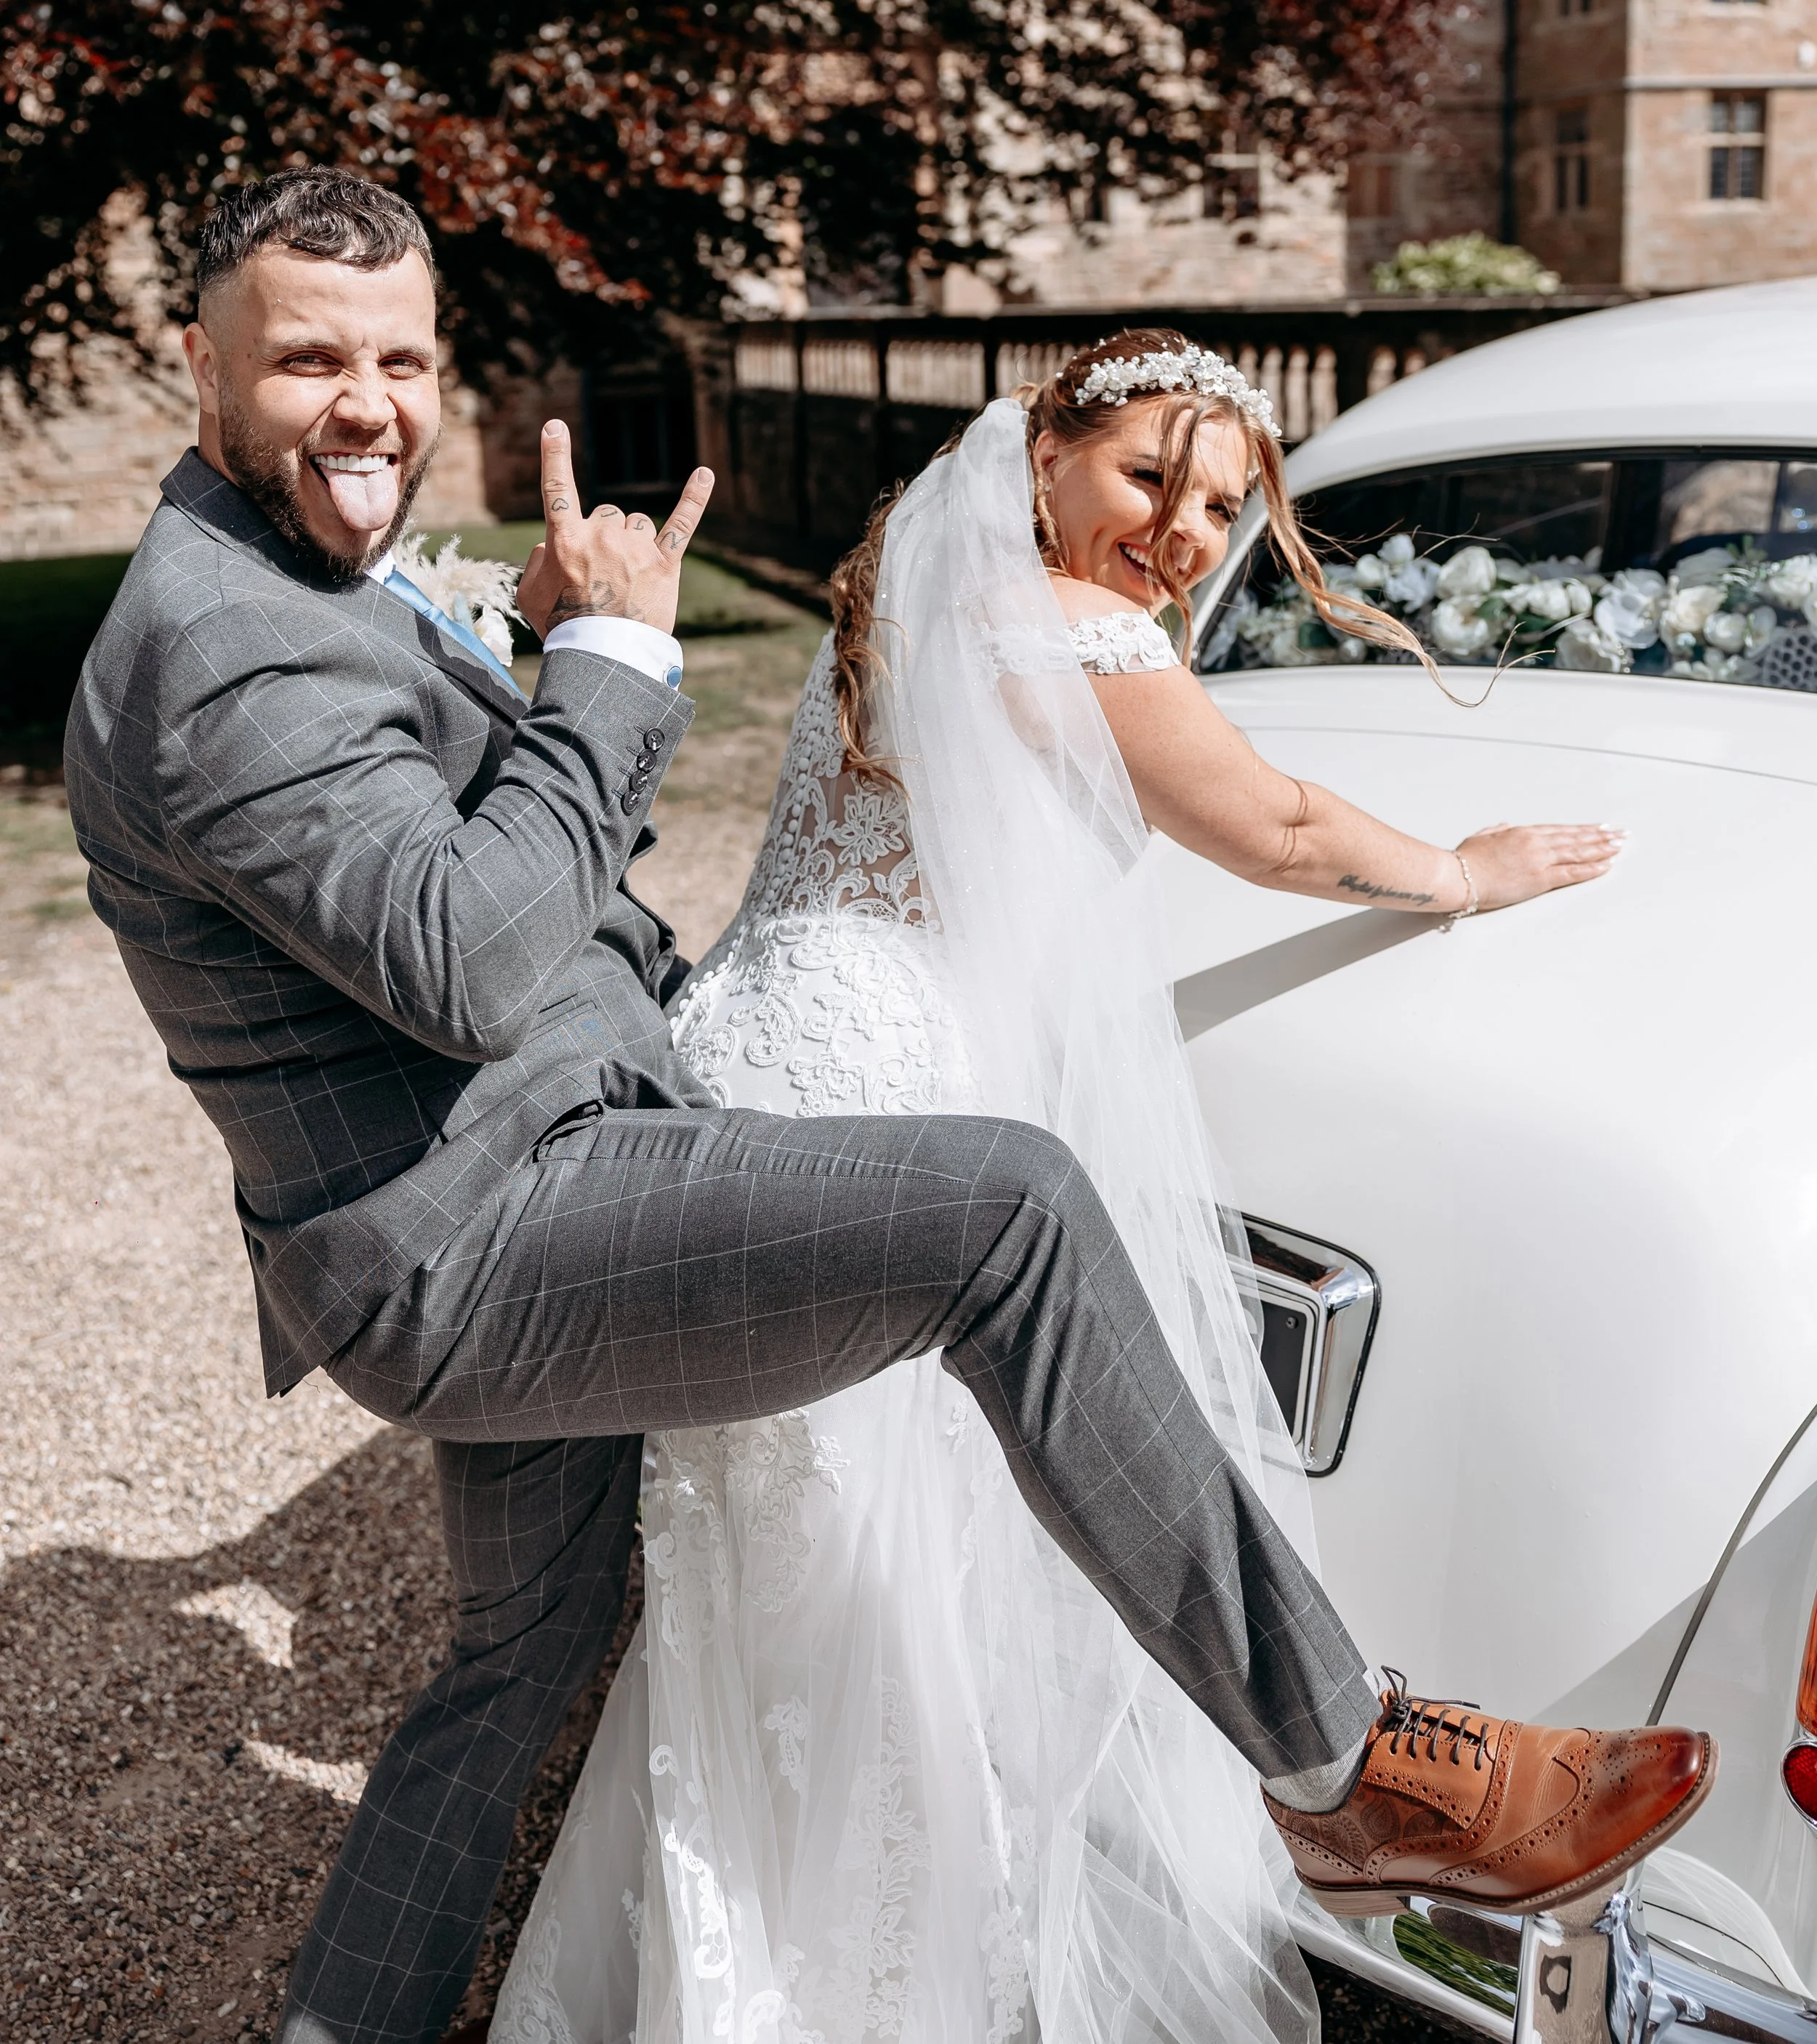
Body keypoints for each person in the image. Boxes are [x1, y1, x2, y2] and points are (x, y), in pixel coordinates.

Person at [62, 175, 1712, 2044]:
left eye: (400, 358)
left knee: (513, 1660)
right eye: (306, 360)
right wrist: (610, 662)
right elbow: (462, 963)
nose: (368, 402)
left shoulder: (296, 585)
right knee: (1006, 1213)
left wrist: (518, 641)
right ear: (198, 364)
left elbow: (409, 853)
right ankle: (1350, 1773)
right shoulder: (216, 640)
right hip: (487, 1233)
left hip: (529, 1172)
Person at [488, 330, 1654, 2044]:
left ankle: (720, 1967)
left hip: (748, 1065)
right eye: (1147, 480)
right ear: (1045, 456)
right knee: (890, 1588)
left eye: (1219, 509)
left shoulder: (900, 579)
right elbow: (1273, 827)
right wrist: (1461, 870)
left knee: (771, 1575)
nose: (1182, 535)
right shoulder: (1069, 625)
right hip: (884, 1099)